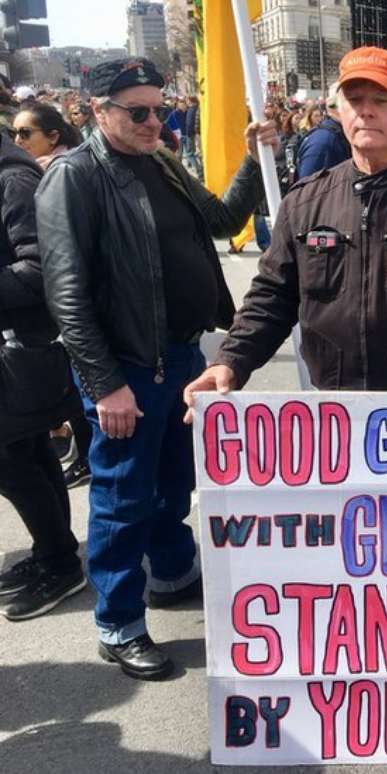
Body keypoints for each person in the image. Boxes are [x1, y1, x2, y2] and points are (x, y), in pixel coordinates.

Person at [183, 46, 387, 556]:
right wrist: (231, 362)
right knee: (354, 539)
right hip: (334, 408)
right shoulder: (307, 200)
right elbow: (273, 296)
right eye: (354, 99)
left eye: (380, 100)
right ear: (338, 111)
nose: (366, 110)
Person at [36, 57, 278, 681]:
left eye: (160, 109)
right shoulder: (74, 176)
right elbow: (67, 296)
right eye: (136, 112)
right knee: (122, 498)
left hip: (181, 357)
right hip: (127, 369)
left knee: (175, 480)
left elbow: (223, 221)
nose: (153, 122)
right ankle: (117, 624)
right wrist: (105, 383)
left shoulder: (163, 162)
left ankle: (172, 572)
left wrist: (255, 160)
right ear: (97, 111)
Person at [0, 127, 86, 621]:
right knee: (28, 451)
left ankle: (58, 563)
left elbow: (39, 267)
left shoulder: (11, 178)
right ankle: (51, 552)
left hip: (22, 348)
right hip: (18, 347)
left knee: (13, 459)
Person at [295, 83, 351, 179]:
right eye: (354, 101)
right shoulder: (322, 143)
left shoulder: (339, 134)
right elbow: (310, 190)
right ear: (334, 106)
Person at [13, 102, 83, 170]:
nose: (17, 140)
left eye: (25, 133)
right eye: (13, 133)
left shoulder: (66, 169)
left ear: (53, 137)